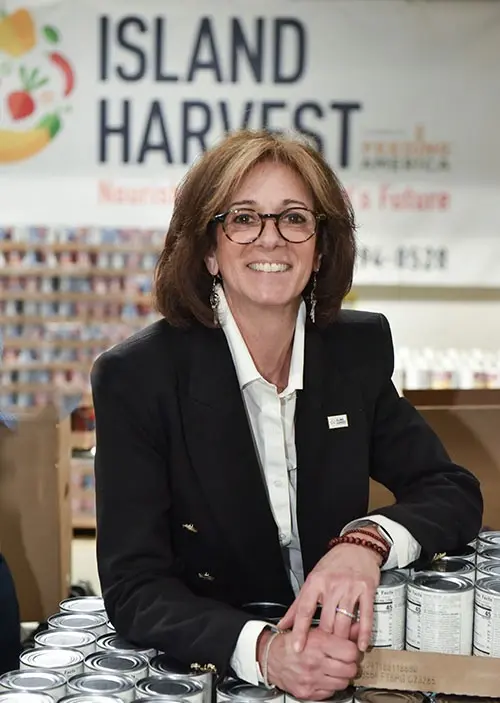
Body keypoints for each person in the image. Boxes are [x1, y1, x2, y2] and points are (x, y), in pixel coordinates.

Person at [92, 129, 482, 700]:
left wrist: (365, 542)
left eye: (294, 218)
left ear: (320, 249)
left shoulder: (354, 351)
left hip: (346, 658)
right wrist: (265, 651)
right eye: (243, 218)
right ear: (208, 250)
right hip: (217, 674)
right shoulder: (137, 377)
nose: (270, 238)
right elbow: (135, 587)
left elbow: (450, 489)